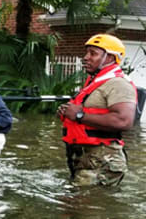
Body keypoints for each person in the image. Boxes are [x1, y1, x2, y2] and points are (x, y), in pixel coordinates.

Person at [57, 34, 137, 186]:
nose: (86, 57)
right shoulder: (95, 82)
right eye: (86, 53)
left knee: (84, 207)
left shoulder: (118, 84)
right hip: (86, 158)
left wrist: (79, 115)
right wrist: (67, 112)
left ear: (110, 58)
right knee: (76, 205)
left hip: (103, 160)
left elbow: (124, 121)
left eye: (93, 53)